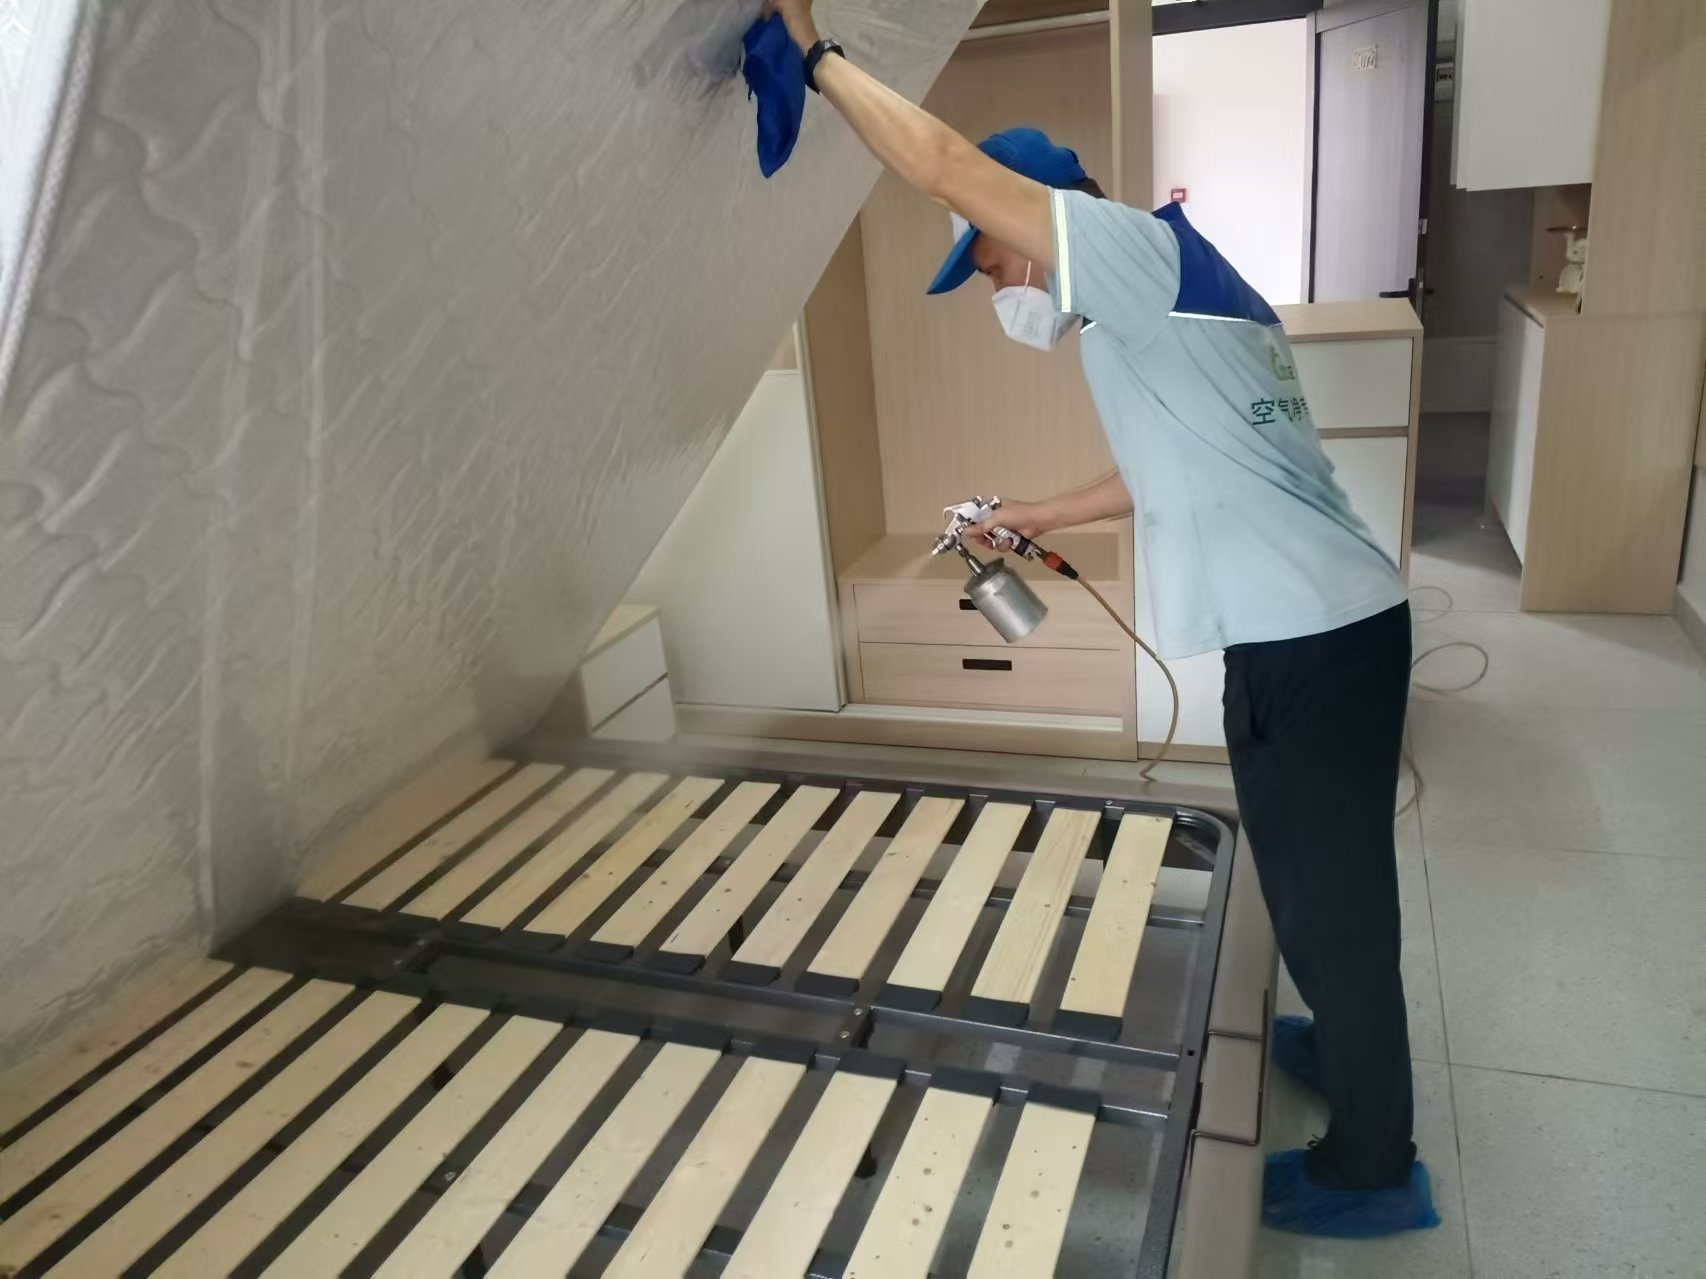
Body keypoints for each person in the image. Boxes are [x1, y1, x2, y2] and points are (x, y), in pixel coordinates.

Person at [765, 0, 1441, 1239]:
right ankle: (1339, 1046)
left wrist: (815, 53)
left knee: (1335, 904)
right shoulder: (1145, 300)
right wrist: (1035, 512)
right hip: (1288, 630)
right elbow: (1157, 466)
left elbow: (940, 163)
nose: (990, 286)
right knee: (1298, 878)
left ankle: (1371, 1167)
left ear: (1029, 225)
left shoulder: (1124, 249)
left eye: (983, 262)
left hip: (1319, 634)